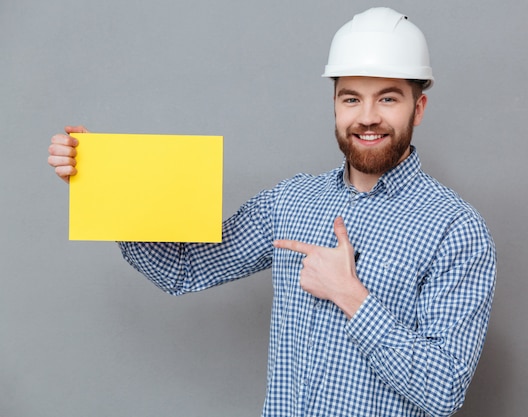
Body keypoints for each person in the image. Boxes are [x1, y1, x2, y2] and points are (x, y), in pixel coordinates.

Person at [48, 7, 496, 417]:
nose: (368, 117)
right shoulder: (290, 202)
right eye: (351, 98)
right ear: (335, 105)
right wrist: (104, 182)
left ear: (418, 108)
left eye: (389, 98)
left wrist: (350, 295)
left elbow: (443, 391)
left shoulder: (456, 230)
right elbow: (181, 269)